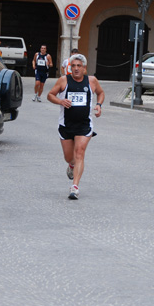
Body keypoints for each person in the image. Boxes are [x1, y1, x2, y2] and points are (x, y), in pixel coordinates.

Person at [47, 54, 105, 200]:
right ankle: (71, 165)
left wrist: (98, 105)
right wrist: (60, 101)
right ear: (70, 68)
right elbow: (50, 95)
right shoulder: (64, 80)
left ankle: (75, 187)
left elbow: (101, 93)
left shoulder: (91, 81)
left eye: (79, 66)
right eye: (73, 66)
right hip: (66, 125)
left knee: (79, 152)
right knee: (69, 157)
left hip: (84, 125)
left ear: (84, 68)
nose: (76, 68)